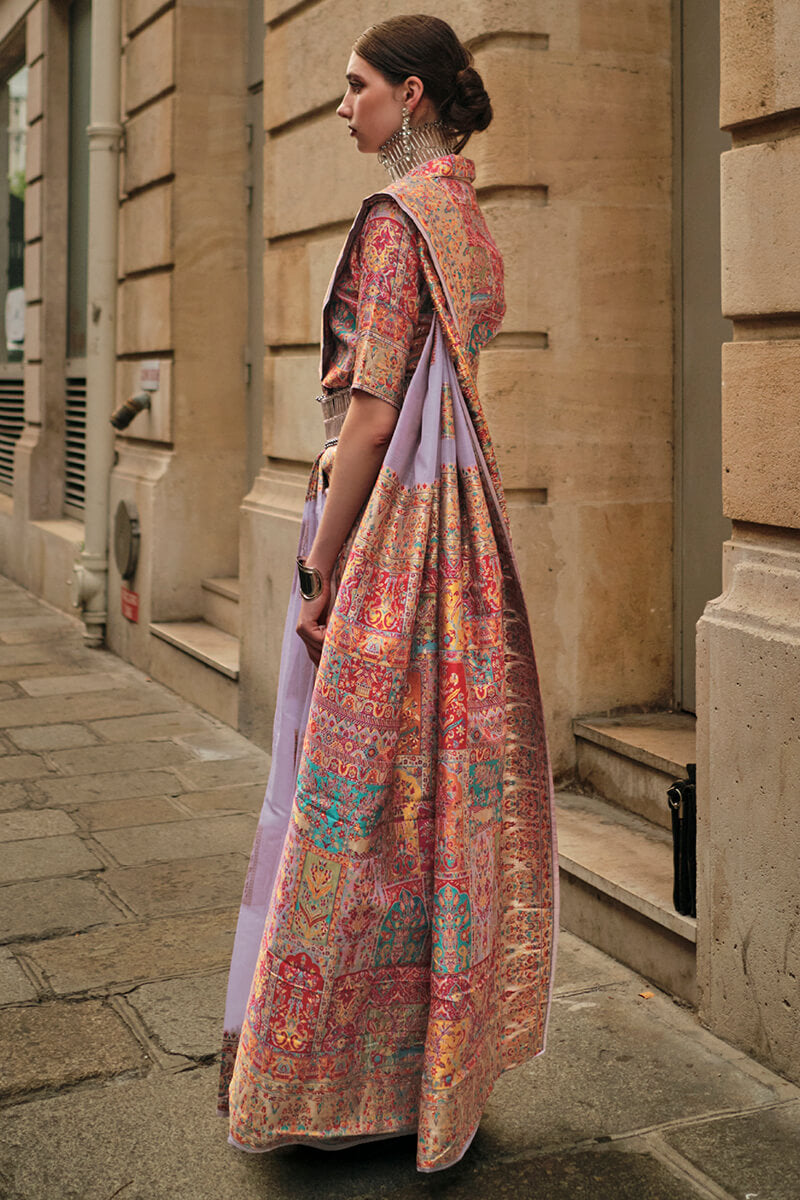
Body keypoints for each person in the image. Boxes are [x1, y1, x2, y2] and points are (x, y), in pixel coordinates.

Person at [218, 14, 558, 1174]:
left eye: (354, 85)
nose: (340, 103)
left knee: (351, 808)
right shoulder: (467, 221)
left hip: (397, 535)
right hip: (466, 537)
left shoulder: (392, 222)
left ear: (410, 96)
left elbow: (369, 412)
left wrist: (321, 569)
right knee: (435, 806)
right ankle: (434, 1075)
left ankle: (323, 1082)